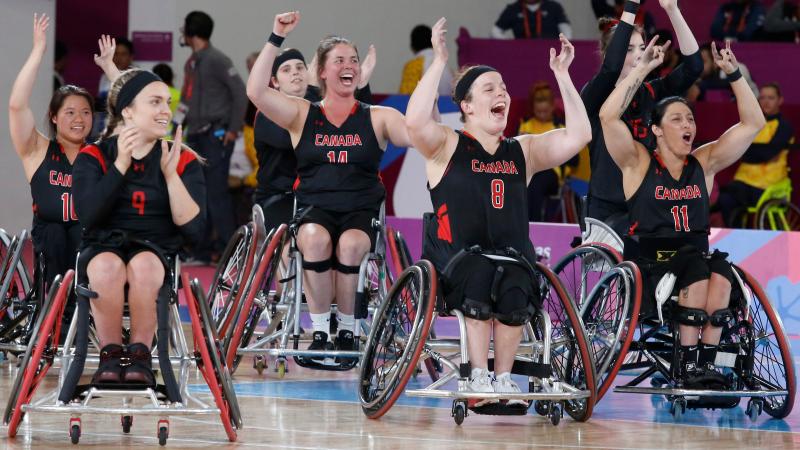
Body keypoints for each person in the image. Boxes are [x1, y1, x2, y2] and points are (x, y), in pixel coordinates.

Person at [406, 18, 590, 404]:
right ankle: (476, 377)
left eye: (504, 88)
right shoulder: (446, 144)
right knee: (480, 277)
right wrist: (439, 61)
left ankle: (502, 380)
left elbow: (579, 136)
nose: (501, 93)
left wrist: (563, 75)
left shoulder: (522, 150)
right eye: (489, 88)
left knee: (516, 284)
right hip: (457, 257)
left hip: (509, 256)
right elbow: (415, 121)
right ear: (468, 106)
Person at [246, 12, 413, 367]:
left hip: (360, 208)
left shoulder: (377, 115)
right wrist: (276, 35)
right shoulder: (302, 113)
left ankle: (349, 330)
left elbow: (415, 132)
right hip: (314, 207)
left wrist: (437, 64)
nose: (348, 65)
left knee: (352, 244)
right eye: (339, 60)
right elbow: (256, 91)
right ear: (320, 71)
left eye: (353, 60)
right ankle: (321, 331)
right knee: (315, 240)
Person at [599, 39, 765, 386]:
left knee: (722, 271)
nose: (687, 123)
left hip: (697, 260)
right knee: (696, 267)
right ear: (656, 129)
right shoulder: (638, 162)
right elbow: (607, 115)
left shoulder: (702, 163)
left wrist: (734, 74)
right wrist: (642, 69)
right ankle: (687, 365)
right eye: (676, 118)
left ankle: (709, 362)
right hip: (652, 266)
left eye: (690, 118)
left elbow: (753, 124)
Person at [72, 68, 206, 386]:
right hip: (103, 245)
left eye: (167, 103)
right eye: (155, 102)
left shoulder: (182, 158)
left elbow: (196, 233)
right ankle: (110, 353)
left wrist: (171, 176)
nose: (165, 111)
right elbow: (88, 216)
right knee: (105, 267)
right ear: (128, 111)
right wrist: (120, 165)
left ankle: (141, 354)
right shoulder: (94, 156)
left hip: (156, 250)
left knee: (144, 265)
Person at [582, 0, 702, 239]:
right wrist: (631, 6)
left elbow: (694, 66)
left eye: (641, 47)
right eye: (629, 49)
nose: (640, 54)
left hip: (646, 206)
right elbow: (611, 70)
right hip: (609, 214)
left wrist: (672, 10)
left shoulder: (652, 92)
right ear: (609, 54)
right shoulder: (595, 94)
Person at [8, 14, 93, 290]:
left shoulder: (98, 153)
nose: (78, 118)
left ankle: (80, 311)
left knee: (83, 233)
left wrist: (110, 68)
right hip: (50, 238)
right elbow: (17, 106)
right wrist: (37, 52)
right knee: (56, 232)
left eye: (85, 112)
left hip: (87, 240)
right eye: (70, 112)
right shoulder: (37, 149)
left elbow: (130, 119)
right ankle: (56, 310)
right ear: (54, 117)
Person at [253, 47, 375, 234]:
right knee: (297, 245)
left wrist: (361, 87)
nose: (295, 72)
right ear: (275, 82)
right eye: (287, 69)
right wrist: (310, 88)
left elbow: (359, 130)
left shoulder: (321, 108)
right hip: (280, 197)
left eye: (300, 67)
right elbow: (294, 139)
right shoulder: (266, 114)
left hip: (318, 197)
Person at [179, 10, 247, 264]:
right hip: (195, 137)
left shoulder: (218, 60)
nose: (181, 33)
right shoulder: (192, 62)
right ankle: (202, 250)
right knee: (198, 194)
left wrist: (232, 129)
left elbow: (240, 93)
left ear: (192, 32)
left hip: (215, 136)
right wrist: (172, 127)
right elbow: (186, 99)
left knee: (217, 195)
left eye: (184, 28)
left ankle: (230, 253)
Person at [717, 82, 795, 226]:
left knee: (729, 192)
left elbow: (766, 153)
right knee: (725, 199)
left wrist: (745, 149)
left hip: (768, 185)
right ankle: (736, 238)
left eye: (771, 98)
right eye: (762, 97)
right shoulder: (750, 124)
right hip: (743, 182)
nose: (765, 101)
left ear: (780, 100)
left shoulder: (784, 126)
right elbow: (744, 150)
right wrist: (754, 150)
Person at [518, 81, 579, 221]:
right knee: (525, 183)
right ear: (533, 108)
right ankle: (523, 223)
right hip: (531, 170)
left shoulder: (560, 127)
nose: (542, 114)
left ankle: (534, 224)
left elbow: (574, 160)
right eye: (538, 111)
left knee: (536, 183)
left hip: (552, 173)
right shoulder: (526, 125)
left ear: (552, 107)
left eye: (545, 111)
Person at [398, 24, 454, 96]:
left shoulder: (413, 66)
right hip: (447, 106)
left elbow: (404, 98)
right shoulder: (447, 67)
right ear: (433, 42)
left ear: (412, 46)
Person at [492, 0, 572, 39]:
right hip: (522, 53)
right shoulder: (513, 9)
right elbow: (495, 31)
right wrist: (509, 44)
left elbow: (566, 32)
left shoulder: (554, 7)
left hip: (550, 51)